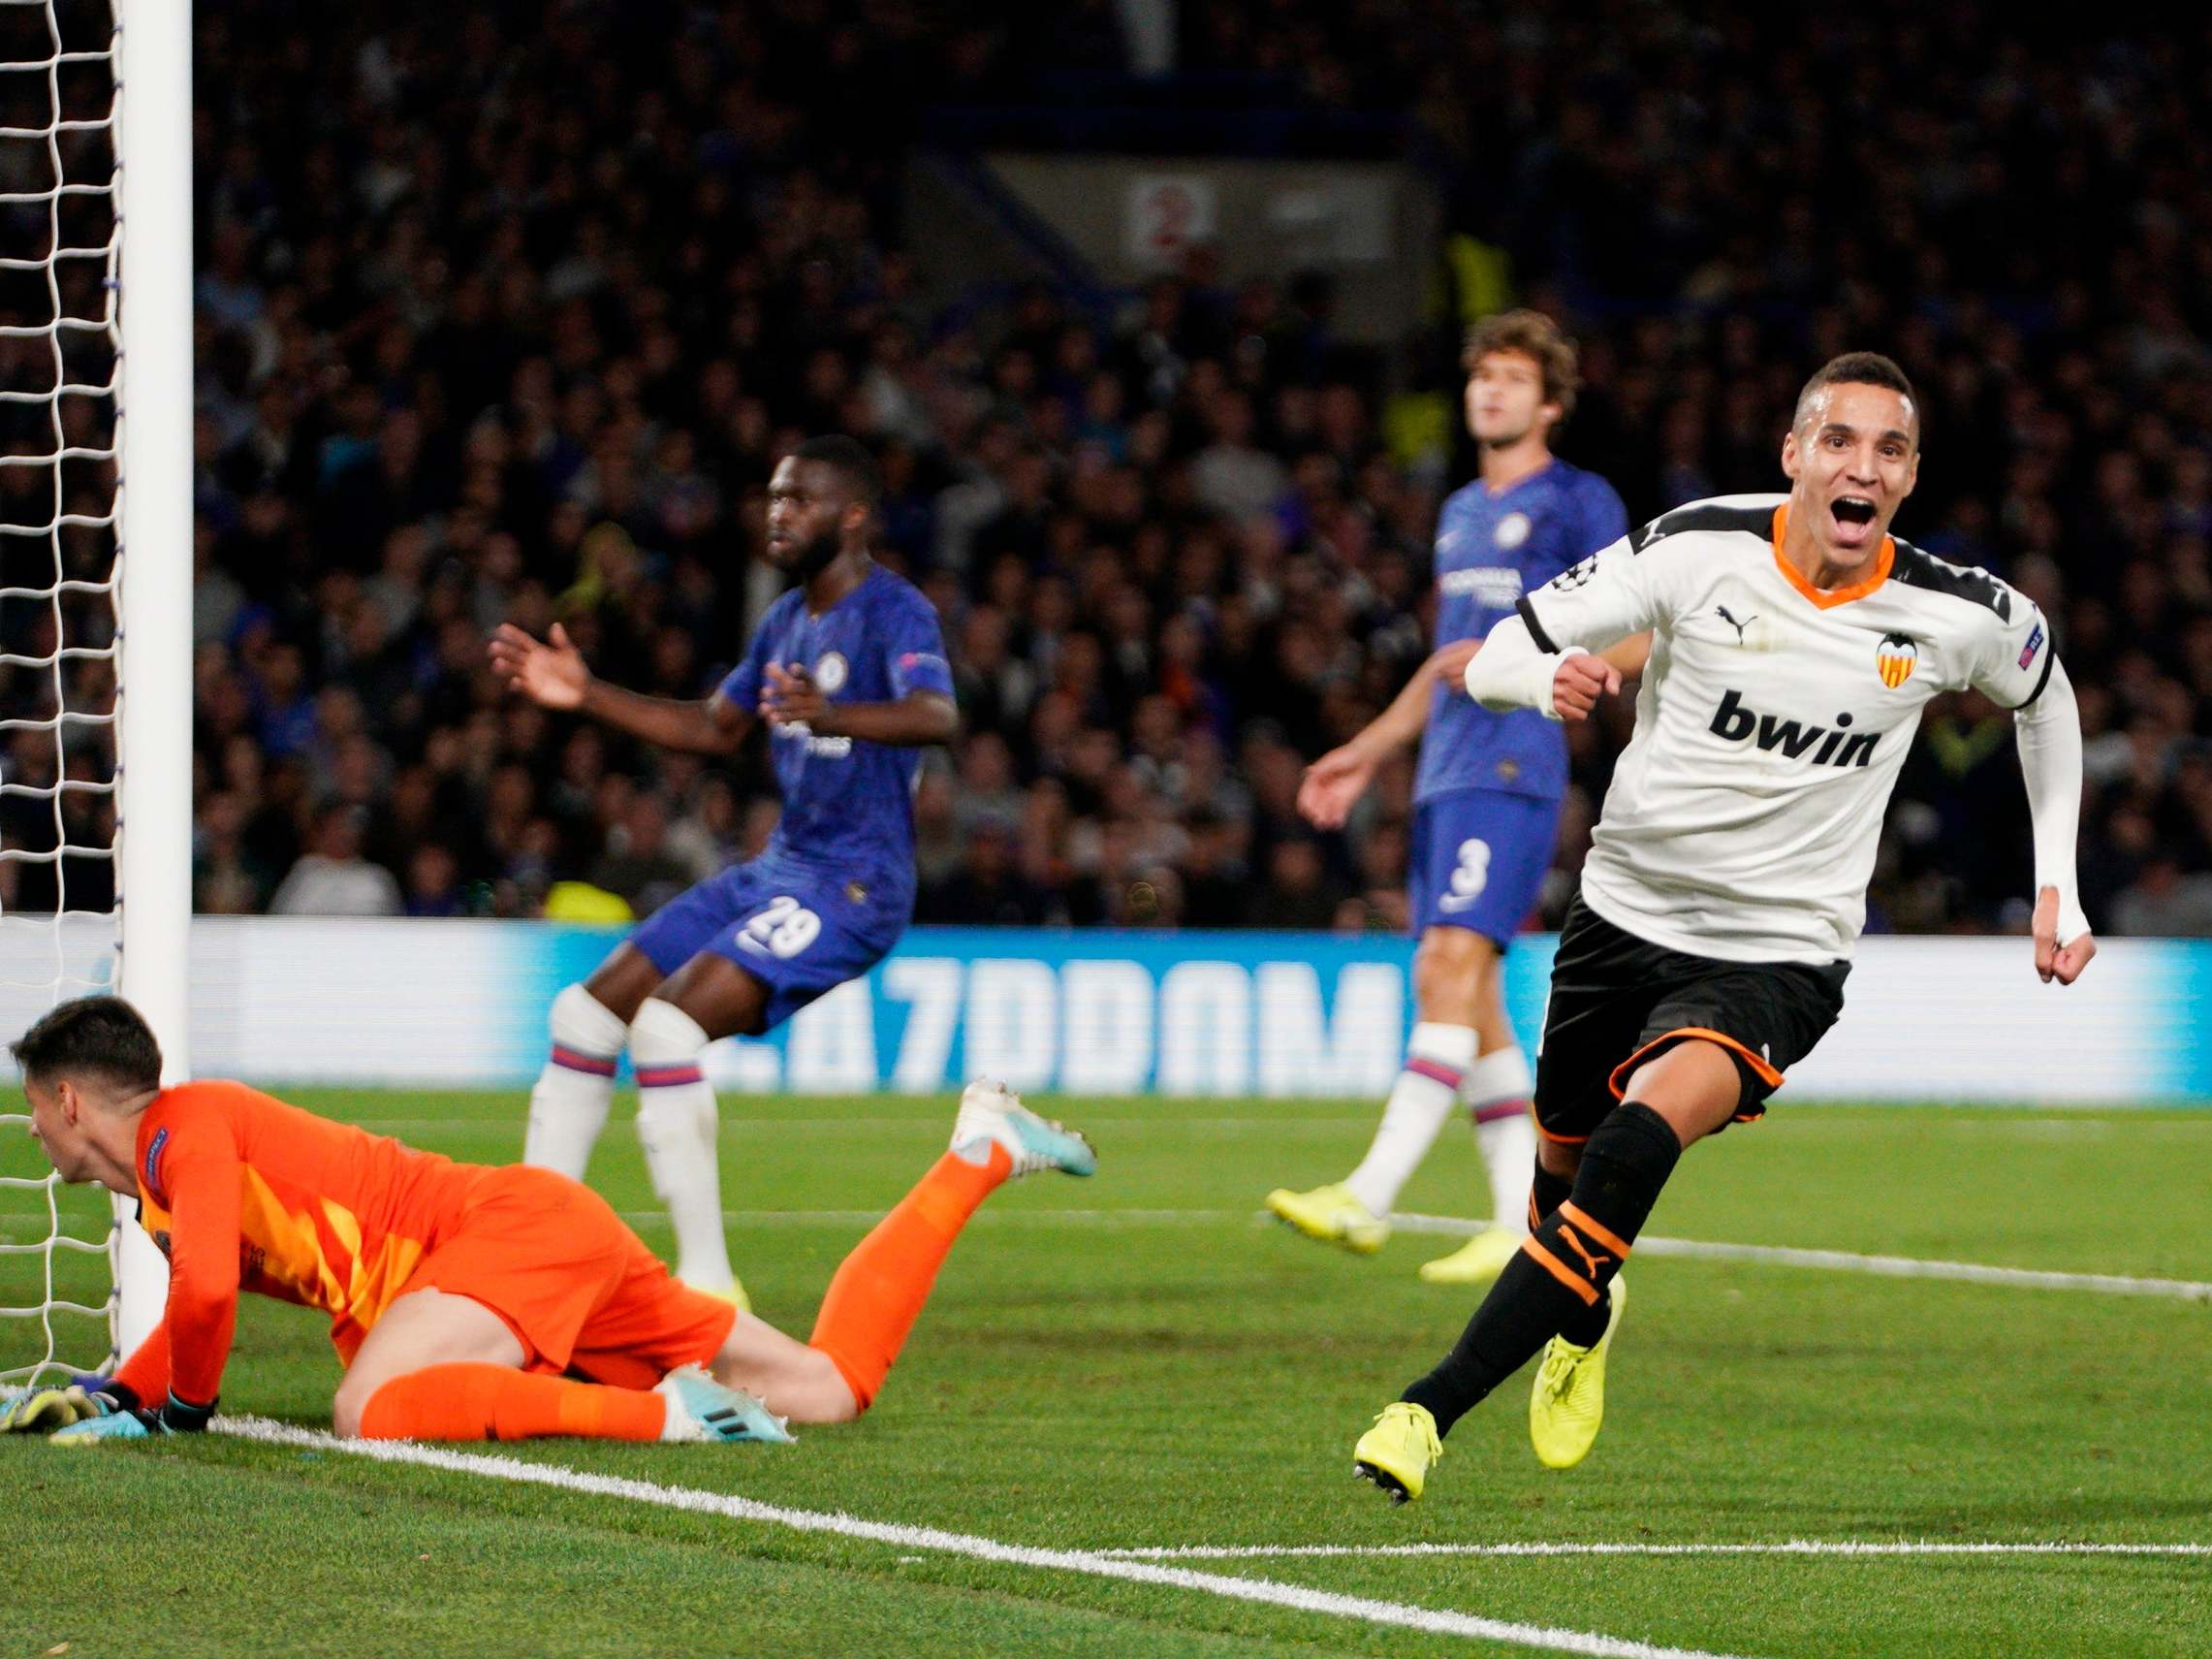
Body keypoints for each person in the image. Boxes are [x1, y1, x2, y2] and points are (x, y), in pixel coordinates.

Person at [1351, 352, 2096, 1502]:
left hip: (1778, 952)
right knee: (1566, 1185)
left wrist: (2060, 880)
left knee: (1636, 1143)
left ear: (1905, 478)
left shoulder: (1955, 614)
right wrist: (1534, 684)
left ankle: (1424, 1407)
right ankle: (1584, 1317)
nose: (1861, 467)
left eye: (1887, 449)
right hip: (1619, 918)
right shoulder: (1694, 548)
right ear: (1792, 454)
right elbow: (1504, 645)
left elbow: (2042, 696)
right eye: (1837, 441)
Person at [0, 996, 1092, 1445]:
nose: (37, 1140)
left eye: (34, 1114)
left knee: (370, 1405)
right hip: (525, 1248)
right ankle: (975, 1154)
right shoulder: (163, 1172)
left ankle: (669, 1417)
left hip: (503, 1240)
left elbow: (201, 1296)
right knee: (828, 1388)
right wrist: (120, 1392)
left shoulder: (184, 1131)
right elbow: (200, 1291)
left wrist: (176, 1413)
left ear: (69, 1100)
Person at [489, 435, 957, 1309]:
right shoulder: (784, 622)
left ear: (852, 515)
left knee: (664, 1030)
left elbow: (938, 715)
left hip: (854, 885)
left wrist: (836, 712)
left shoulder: (896, 612)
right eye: (774, 498)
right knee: (586, 1016)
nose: (778, 514)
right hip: (779, 868)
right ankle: (534, 1253)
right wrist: (584, 692)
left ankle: (709, 1289)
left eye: (800, 499)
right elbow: (715, 727)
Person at [1269, 311, 1640, 1284]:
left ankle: (1370, 1193)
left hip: (1513, 763)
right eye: (1481, 377)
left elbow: (1636, 610)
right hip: (1444, 766)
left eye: (1513, 379)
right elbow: (1450, 660)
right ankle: (1522, 1222)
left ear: (1549, 401)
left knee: (1445, 962)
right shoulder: (1461, 511)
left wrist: (1579, 667)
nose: (1491, 392)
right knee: (1471, 1001)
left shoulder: (1576, 499)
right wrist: (1360, 751)